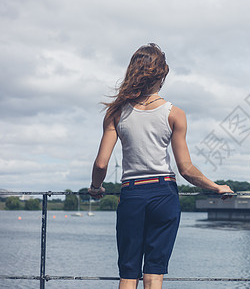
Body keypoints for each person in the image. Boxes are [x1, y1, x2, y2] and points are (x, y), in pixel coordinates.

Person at [89, 43, 234, 289]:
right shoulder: (174, 113)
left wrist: (95, 187)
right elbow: (186, 169)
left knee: (128, 274)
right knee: (154, 274)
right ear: (162, 75)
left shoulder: (116, 113)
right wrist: (215, 186)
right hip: (164, 194)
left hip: (132, 194)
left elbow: (102, 163)